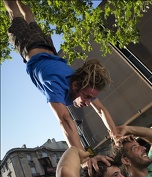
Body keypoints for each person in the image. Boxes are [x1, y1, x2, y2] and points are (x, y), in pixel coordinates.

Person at [3, 0, 117, 164]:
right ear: (76, 85)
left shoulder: (83, 82)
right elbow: (65, 120)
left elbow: (101, 110)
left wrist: (115, 134)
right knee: (15, 13)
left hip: (47, 46)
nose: (88, 101)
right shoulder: (54, 85)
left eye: (89, 98)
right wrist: (84, 159)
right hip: (30, 44)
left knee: (30, 17)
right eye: (86, 96)